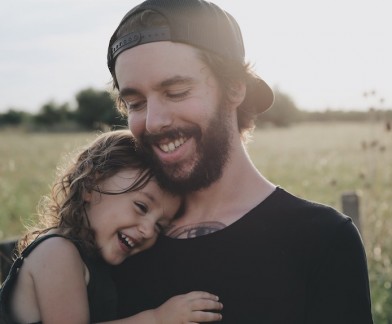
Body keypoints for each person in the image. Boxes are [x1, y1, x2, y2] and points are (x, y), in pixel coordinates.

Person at [108, 1, 374, 323]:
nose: (153, 122)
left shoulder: (321, 239)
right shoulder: (120, 236)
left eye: (176, 91)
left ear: (235, 89)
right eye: (135, 103)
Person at [0, 130, 223, 323]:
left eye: (159, 227)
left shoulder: (93, 260)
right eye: (141, 207)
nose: (147, 230)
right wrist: (157, 319)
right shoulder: (57, 252)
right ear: (90, 185)